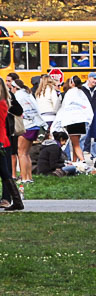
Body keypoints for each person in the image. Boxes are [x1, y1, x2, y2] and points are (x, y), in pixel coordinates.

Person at [9, 76, 43, 185]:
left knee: (21, 153)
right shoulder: (28, 94)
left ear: (15, 88)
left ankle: (24, 178)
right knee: (27, 153)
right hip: (35, 126)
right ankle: (29, 177)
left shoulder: (18, 96)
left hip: (27, 126)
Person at [54, 76, 93, 162]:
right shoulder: (81, 93)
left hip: (72, 121)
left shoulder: (68, 93)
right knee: (75, 142)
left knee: (76, 145)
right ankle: (75, 162)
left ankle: (83, 161)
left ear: (72, 83)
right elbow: (87, 107)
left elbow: (63, 108)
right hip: (81, 121)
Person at [0, 78, 24, 211]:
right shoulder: (5, 101)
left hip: (2, 140)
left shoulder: (3, 103)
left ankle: (13, 199)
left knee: (5, 172)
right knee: (5, 172)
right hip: (4, 139)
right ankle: (15, 200)